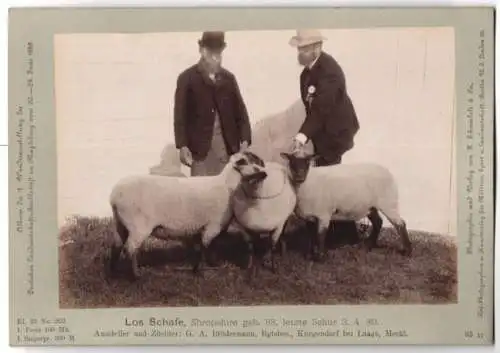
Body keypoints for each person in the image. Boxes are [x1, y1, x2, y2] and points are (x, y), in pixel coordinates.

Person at [289, 29, 361, 246]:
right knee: (327, 179)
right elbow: (311, 109)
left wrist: (301, 136)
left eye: (304, 49)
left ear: (317, 48)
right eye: (299, 49)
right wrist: (308, 134)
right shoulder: (306, 73)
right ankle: (342, 233)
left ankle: (338, 234)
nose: (299, 53)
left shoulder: (330, 70)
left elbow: (321, 109)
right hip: (322, 132)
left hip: (337, 132)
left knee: (330, 180)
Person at [174, 31, 252, 177]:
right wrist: (182, 146)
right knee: (201, 195)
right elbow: (180, 117)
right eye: (212, 54)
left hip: (227, 153)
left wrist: (245, 139)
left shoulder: (229, 79)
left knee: (228, 196)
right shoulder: (186, 79)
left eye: (219, 54)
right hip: (200, 154)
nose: (216, 59)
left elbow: (241, 113)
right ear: (202, 51)